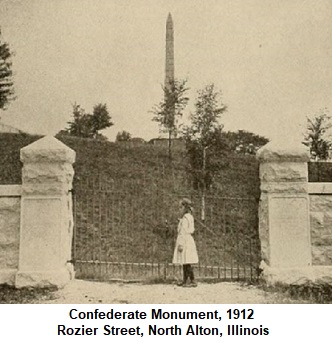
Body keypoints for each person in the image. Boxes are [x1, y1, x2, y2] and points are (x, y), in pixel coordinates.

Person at [172, 198, 199, 287]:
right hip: (188, 240)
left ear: (184, 207)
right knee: (185, 261)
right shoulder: (188, 217)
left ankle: (192, 280)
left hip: (185, 241)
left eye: (181, 207)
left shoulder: (186, 218)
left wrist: (181, 244)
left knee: (187, 261)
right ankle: (185, 280)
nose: (180, 209)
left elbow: (183, 231)